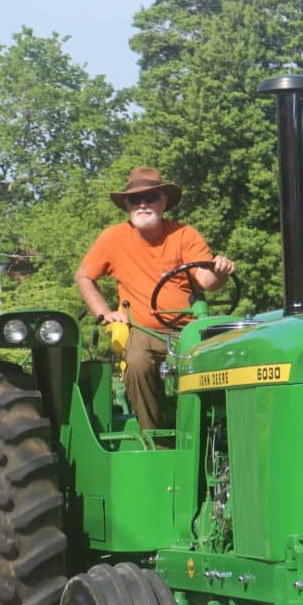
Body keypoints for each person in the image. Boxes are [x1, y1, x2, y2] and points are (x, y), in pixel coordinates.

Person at [76, 167, 236, 434]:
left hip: (187, 328)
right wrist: (105, 313)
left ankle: (214, 433)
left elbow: (207, 282)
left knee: (226, 357)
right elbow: (83, 276)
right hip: (144, 329)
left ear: (163, 202)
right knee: (137, 361)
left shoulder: (184, 235)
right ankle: (153, 436)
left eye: (150, 197)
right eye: (134, 199)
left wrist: (219, 271)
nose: (142, 204)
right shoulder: (113, 238)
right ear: (126, 206)